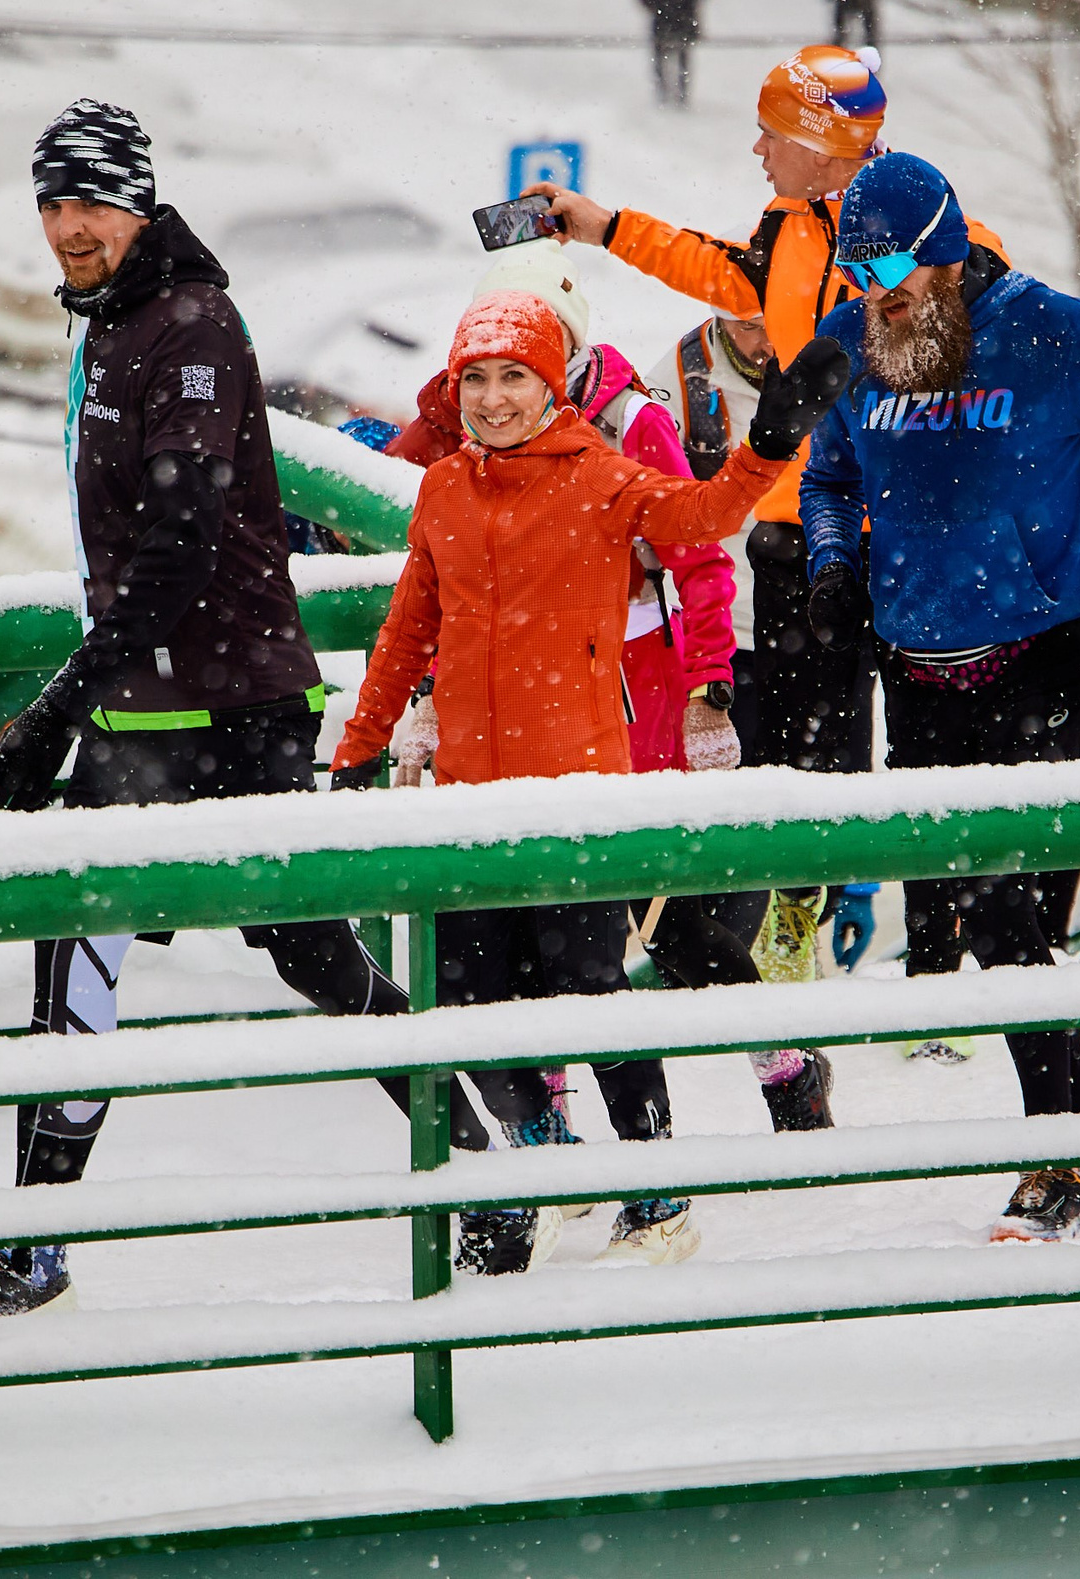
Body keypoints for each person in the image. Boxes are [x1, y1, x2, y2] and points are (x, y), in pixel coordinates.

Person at [0, 101, 487, 1324]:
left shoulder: (189, 325)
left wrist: (53, 710)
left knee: (298, 952)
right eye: (52, 203)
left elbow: (183, 541)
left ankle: (485, 1179)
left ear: (139, 204)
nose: (68, 226)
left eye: (91, 201)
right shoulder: (116, 319)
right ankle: (34, 1248)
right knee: (99, 957)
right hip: (156, 704)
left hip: (229, 705)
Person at [332, 292, 849, 1271]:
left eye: (513, 377)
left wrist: (771, 443)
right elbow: (408, 628)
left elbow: (705, 518)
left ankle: (656, 1200)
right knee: (475, 999)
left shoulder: (599, 476)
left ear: (549, 385)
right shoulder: (443, 489)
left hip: (577, 794)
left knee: (591, 992)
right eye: (475, 379)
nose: (493, 398)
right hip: (472, 800)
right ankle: (541, 1167)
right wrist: (362, 744)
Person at [799, 151, 1080, 1243]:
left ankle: (1062, 1163)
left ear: (944, 250)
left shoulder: (1057, 332)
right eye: (854, 271)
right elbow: (826, 477)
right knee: (995, 926)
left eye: (888, 266)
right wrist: (834, 567)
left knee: (1006, 916)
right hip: (914, 677)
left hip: (1039, 665)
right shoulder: (853, 342)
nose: (872, 291)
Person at [528, 48, 1014, 981]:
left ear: (822, 148)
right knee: (802, 752)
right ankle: (796, 914)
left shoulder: (940, 229)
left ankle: (939, 972)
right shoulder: (787, 226)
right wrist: (605, 226)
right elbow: (721, 273)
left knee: (932, 757)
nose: (757, 150)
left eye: (771, 135)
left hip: (916, 534)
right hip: (800, 528)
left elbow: (1005, 347)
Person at [397, 245, 834, 1135]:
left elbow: (700, 553)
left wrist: (710, 687)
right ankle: (555, 1129)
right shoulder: (472, 420)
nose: (502, 383)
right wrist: (427, 695)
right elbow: (445, 581)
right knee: (529, 909)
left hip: (638, 688)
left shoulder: (631, 421)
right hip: (524, 694)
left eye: (538, 348)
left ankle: (783, 1069)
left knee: (660, 916)